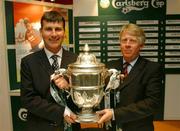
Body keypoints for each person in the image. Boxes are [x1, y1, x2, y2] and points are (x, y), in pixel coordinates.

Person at [96, 23, 163, 131]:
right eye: (124, 40)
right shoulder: (108, 67)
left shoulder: (152, 69)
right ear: (120, 44)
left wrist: (114, 114)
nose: (127, 44)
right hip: (110, 127)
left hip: (138, 128)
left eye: (132, 41)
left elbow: (152, 103)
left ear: (141, 45)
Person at [20, 10, 80, 131]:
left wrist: (69, 87)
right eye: (48, 29)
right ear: (41, 32)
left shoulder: (77, 60)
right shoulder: (28, 62)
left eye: (58, 29)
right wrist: (61, 111)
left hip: (72, 127)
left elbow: (82, 97)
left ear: (64, 32)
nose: (54, 34)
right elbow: (28, 99)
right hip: (40, 127)